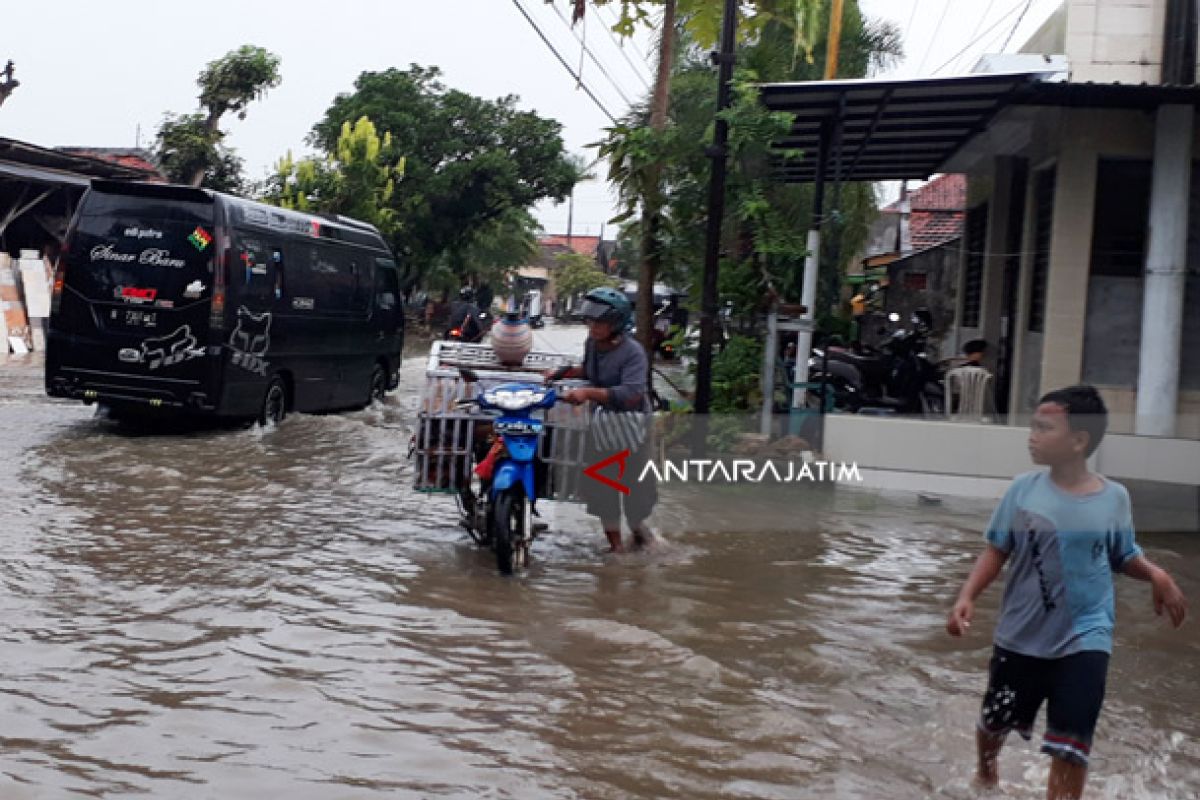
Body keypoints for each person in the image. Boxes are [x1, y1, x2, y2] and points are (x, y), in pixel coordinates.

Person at [946, 385, 1187, 799]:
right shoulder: (1023, 490)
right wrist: (966, 596)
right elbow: (997, 549)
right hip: (1021, 634)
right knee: (995, 721)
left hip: (1086, 635)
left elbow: (1122, 554)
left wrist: (1156, 575)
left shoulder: (1114, 498)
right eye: (1033, 426)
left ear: (1078, 440)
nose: (1032, 435)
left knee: (1072, 744)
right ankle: (986, 777)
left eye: (1044, 427)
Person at [545, 286, 657, 553]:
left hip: (633, 430)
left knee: (634, 493)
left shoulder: (633, 353)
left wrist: (587, 393)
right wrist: (564, 373)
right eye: (590, 321)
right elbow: (592, 370)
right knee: (603, 489)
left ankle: (642, 534)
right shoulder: (592, 345)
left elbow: (632, 394)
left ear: (617, 323)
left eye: (600, 322)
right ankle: (616, 549)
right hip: (601, 428)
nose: (593, 327)